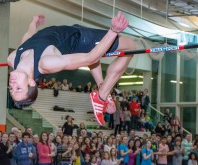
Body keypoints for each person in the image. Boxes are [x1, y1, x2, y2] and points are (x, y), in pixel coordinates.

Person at [7, 12, 135, 126]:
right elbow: (90, 58)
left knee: (93, 53)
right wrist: (113, 30)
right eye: (18, 88)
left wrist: (33, 23)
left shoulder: (12, 58)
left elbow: (28, 38)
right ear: (31, 82)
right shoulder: (46, 64)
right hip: (81, 40)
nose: (12, 85)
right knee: (130, 46)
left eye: (11, 89)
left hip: (72, 30)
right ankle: (101, 96)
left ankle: (103, 87)